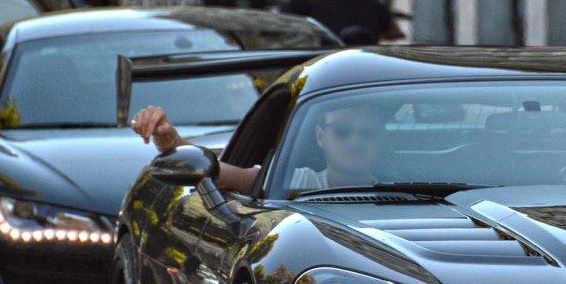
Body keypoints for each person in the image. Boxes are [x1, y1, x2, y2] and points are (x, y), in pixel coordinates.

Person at [131, 102, 386, 193]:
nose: (355, 141)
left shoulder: (395, 194)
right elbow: (216, 171)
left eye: (367, 133)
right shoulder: (292, 182)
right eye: (342, 131)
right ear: (320, 136)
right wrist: (171, 141)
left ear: (380, 141)